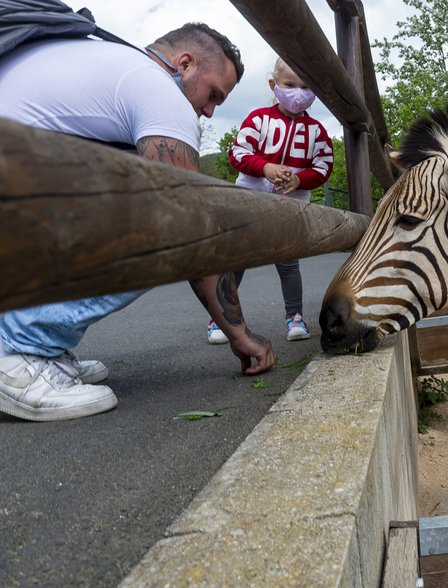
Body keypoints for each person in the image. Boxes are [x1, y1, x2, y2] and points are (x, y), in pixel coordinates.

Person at [0, 23, 276, 422]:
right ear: (185, 63)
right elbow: (186, 226)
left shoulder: (99, 59)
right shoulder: (159, 90)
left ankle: (38, 345)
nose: (211, 110)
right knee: (164, 224)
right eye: (213, 94)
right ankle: (19, 351)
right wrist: (241, 335)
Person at [207, 57, 334, 345]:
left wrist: (300, 180)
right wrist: (265, 167)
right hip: (250, 201)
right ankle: (221, 318)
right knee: (235, 260)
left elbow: (325, 166)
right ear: (273, 84)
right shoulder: (258, 119)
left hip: (291, 207)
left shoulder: (317, 131)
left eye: (306, 87)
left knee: (289, 264)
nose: (298, 93)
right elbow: (237, 153)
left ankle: (295, 318)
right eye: (290, 85)